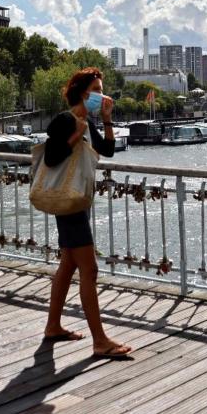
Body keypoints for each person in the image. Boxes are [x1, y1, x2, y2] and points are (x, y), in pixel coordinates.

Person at [41, 66, 132, 359]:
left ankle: (53, 326)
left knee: (68, 265)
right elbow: (52, 158)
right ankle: (100, 340)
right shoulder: (66, 120)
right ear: (83, 93)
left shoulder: (86, 121)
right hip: (69, 204)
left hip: (79, 200)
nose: (100, 95)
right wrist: (73, 136)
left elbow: (107, 150)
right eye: (96, 90)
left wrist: (106, 120)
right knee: (89, 270)